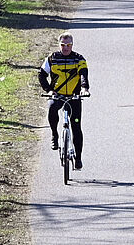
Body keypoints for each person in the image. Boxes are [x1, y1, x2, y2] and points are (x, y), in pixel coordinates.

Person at [39, 32, 89, 169]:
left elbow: (83, 74)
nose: (65, 48)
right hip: (58, 94)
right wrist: (49, 90)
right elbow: (42, 75)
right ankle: (54, 135)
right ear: (59, 45)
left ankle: (78, 158)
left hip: (74, 96)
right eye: (63, 45)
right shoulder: (52, 58)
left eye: (68, 45)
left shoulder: (79, 59)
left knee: (76, 126)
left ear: (72, 45)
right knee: (52, 108)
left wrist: (84, 89)